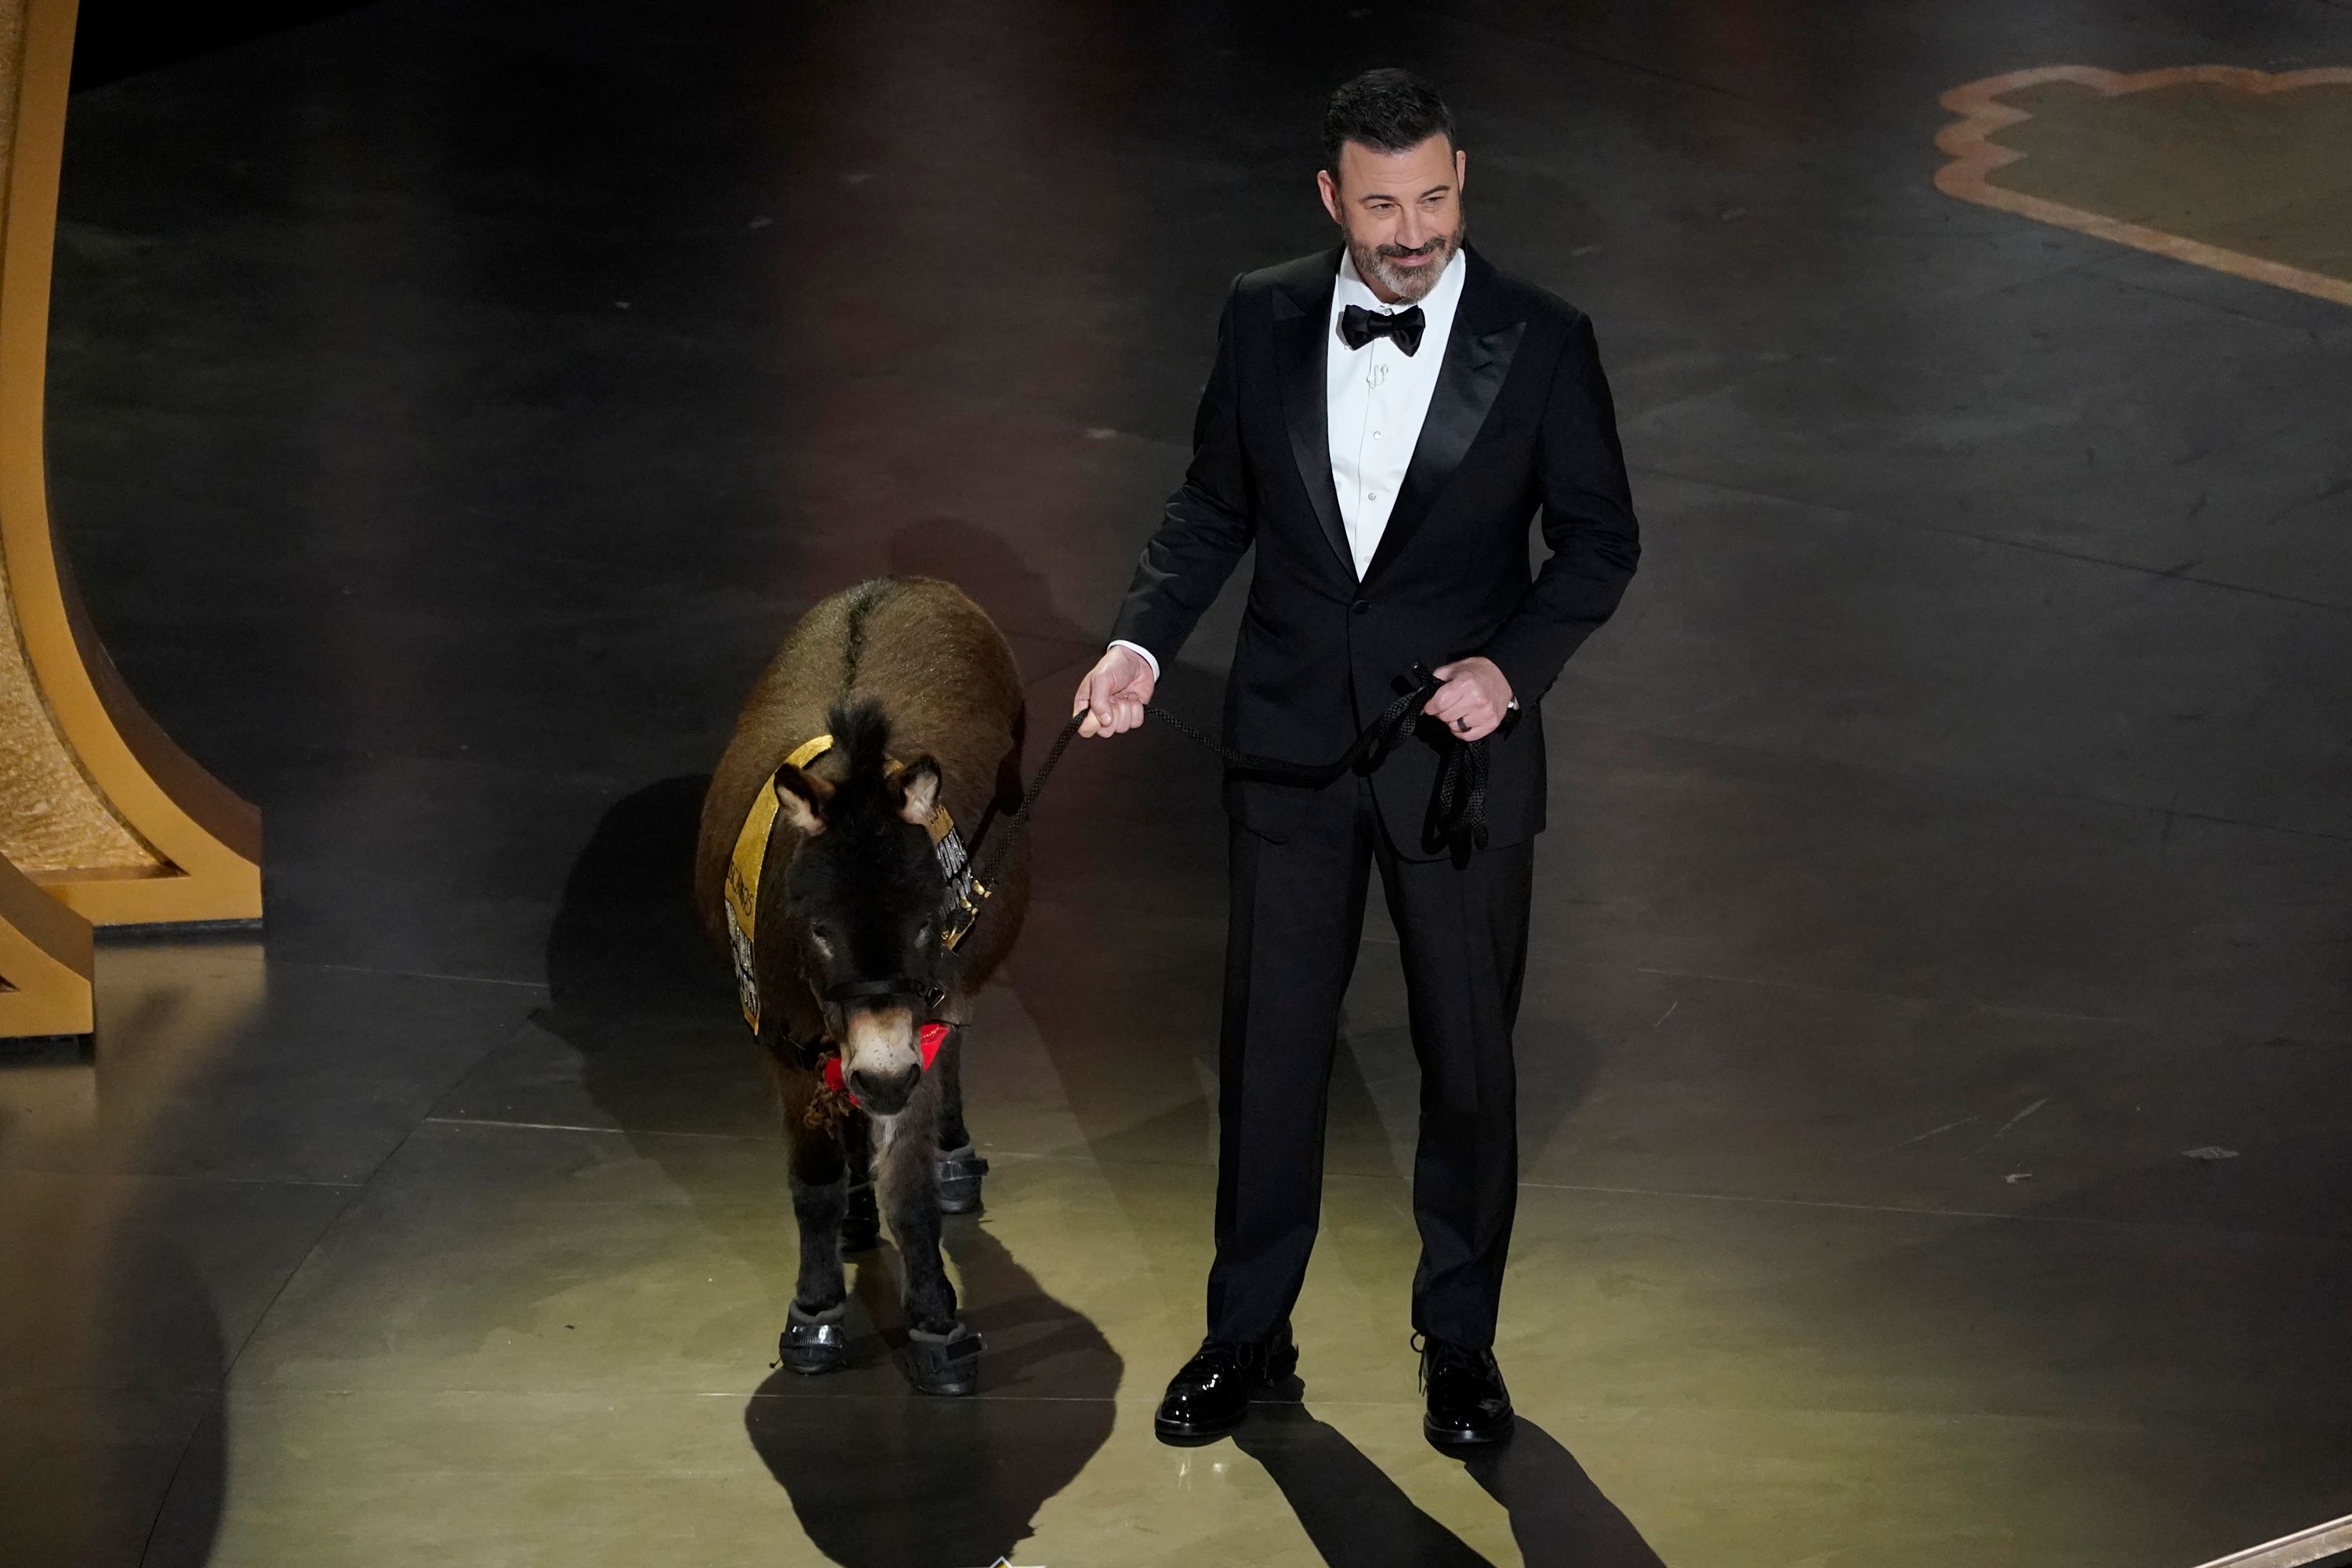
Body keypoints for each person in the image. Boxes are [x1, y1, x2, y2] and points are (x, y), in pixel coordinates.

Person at [1072, 67, 1640, 1448]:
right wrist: (1141, 644)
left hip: (1457, 769)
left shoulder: (1544, 337)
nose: (1411, 231)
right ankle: (1247, 1337)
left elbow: (1600, 541)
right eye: (1381, 204)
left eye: (1433, 198)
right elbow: (1213, 504)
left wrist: (1510, 669)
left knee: (1466, 1066)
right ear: (1331, 199)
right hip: (1288, 751)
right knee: (1269, 1058)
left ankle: (1461, 1349)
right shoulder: (1263, 314)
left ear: (1464, 185)